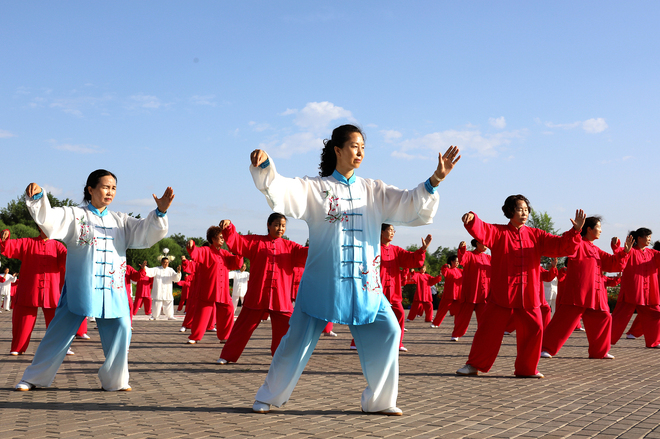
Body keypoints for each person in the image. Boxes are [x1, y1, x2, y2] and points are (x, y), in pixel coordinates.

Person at [246, 124, 460, 415]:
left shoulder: (373, 190)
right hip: (324, 281)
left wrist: (435, 179)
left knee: (390, 330)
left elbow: (409, 203)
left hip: (364, 283)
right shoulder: (315, 188)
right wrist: (266, 164)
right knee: (295, 341)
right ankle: (268, 397)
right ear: (337, 150)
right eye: (354, 146)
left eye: (363, 148)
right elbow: (282, 189)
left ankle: (379, 401)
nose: (359, 152)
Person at [15, 169, 172, 391]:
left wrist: (160, 212)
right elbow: (50, 219)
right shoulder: (75, 216)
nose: (110, 192)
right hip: (80, 288)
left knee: (122, 329)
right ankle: (33, 378)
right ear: (91, 189)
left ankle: (116, 381)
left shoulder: (121, 221)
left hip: (112, 289)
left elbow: (145, 232)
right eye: (106, 187)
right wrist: (39, 196)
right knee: (57, 335)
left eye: (114, 188)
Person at [456, 194, 585, 378]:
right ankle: (474, 365)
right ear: (510, 211)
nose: (524, 213)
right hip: (502, 292)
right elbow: (482, 228)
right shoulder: (498, 232)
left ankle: (527, 369)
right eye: (519, 209)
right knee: (488, 331)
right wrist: (472, 218)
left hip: (529, 293)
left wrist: (574, 231)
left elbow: (559, 245)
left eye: (526, 209)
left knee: (535, 330)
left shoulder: (536, 235)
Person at [217, 214, 308, 363]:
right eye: (277, 225)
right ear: (269, 225)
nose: (280, 229)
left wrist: (322, 244)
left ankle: (281, 360)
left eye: (283, 226)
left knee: (286, 329)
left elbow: (306, 253)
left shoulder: (290, 247)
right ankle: (227, 356)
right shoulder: (256, 242)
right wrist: (229, 228)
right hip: (257, 294)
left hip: (280, 297)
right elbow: (237, 242)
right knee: (242, 327)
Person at [541, 217, 631, 359]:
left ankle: (599, 352)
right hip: (578, 293)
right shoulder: (578, 244)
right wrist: (575, 231)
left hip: (595, 294)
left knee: (604, 318)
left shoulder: (596, 249)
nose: (601, 231)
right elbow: (567, 244)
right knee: (564, 321)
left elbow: (614, 264)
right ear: (589, 229)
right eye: (599, 227)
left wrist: (624, 253)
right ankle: (545, 348)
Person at [351, 224, 430, 351]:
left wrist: (422, 249)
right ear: (381, 232)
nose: (392, 233)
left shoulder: (397, 250)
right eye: (390, 230)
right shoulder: (372, 248)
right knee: (369, 315)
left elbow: (412, 259)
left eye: (394, 230)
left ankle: (397, 343)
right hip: (376, 289)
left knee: (400, 313)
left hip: (393, 289)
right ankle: (357, 341)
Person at [1, 227, 67, 355]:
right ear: (40, 227)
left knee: (56, 320)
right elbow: (10, 246)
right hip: (29, 287)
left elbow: (69, 259)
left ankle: (60, 347)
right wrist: (6, 236)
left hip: (52, 289)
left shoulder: (58, 246)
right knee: (23, 319)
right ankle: (18, 347)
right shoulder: (27, 242)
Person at [185, 226, 243, 344]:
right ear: (213, 238)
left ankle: (224, 336)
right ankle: (195, 337)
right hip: (209, 289)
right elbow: (196, 252)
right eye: (220, 237)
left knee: (228, 310)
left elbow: (236, 263)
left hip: (223, 290)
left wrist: (239, 253)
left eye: (223, 238)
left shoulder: (225, 253)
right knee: (202, 313)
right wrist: (191, 245)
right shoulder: (206, 251)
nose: (223, 240)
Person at [610, 228, 660, 348]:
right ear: (639, 238)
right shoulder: (630, 251)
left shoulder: (653, 254)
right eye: (647, 237)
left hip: (649, 294)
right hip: (631, 292)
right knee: (618, 319)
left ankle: (654, 342)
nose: (649, 239)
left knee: (656, 315)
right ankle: (604, 340)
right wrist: (615, 244)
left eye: (650, 237)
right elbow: (619, 252)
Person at [452, 239, 490, 340]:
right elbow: (462, 259)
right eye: (484, 243)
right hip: (471, 290)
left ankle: (485, 334)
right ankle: (456, 334)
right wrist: (462, 248)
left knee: (484, 316)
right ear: (477, 243)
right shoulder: (469, 255)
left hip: (484, 292)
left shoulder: (488, 258)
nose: (486, 245)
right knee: (464, 315)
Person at [143, 255, 182, 320]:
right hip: (159, 290)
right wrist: (144, 267)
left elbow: (176, 278)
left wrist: (178, 272)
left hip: (167, 290)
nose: (166, 264)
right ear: (161, 262)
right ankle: (154, 316)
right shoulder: (157, 269)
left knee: (169, 302)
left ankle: (170, 316)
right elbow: (149, 271)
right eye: (164, 262)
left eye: (167, 262)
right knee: (156, 303)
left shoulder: (170, 270)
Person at [430, 254, 462, 330]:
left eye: (458, 261)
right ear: (452, 261)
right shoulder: (448, 270)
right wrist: (446, 266)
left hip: (458, 294)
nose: (457, 263)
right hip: (449, 293)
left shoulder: (460, 271)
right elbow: (443, 271)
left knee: (459, 311)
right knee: (442, 309)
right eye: (456, 261)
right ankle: (436, 323)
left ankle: (457, 324)